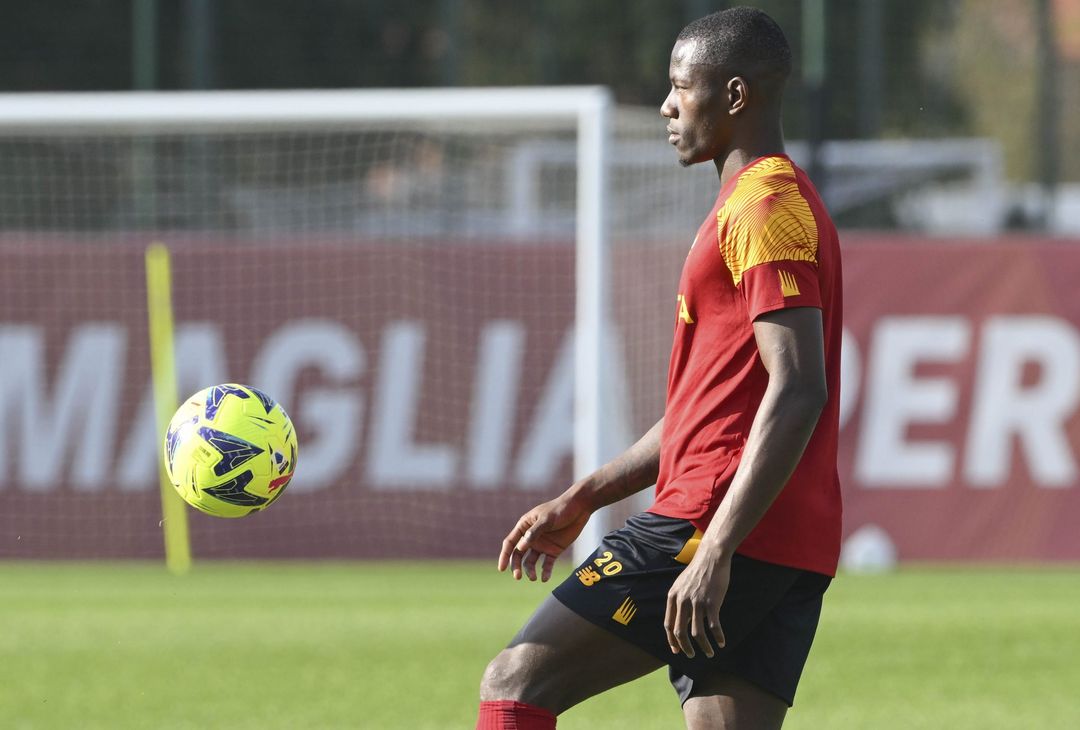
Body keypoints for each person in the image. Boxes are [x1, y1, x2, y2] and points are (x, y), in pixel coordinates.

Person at [476, 7, 843, 729]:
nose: (669, 105)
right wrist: (587, 494)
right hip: (786, 538)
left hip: (715, 522)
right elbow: (710, 410)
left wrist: (716, 549)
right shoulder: (755, 202)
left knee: (516, 682)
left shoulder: (766, 207)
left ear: (735, 96)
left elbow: (799, 387)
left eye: (683, 86)